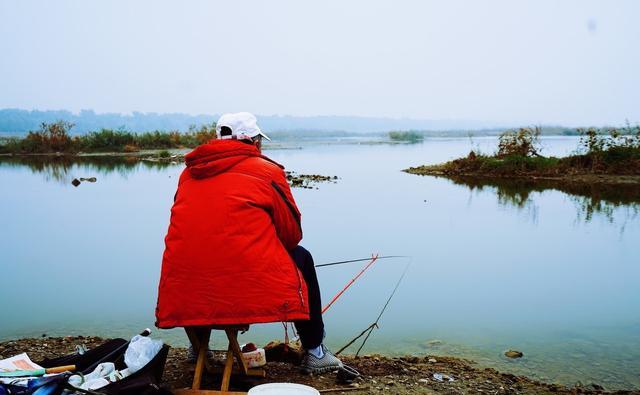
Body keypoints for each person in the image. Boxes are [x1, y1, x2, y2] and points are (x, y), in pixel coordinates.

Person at [155, 112, 342, 374]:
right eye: (259, 141)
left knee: (197, 255)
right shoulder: (268, 171)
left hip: (184, 289)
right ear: (253, 142)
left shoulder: (188, 174)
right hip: (245, 287)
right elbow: (291, 235)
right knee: (302, 256)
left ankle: (198, 346)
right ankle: (315, 351)